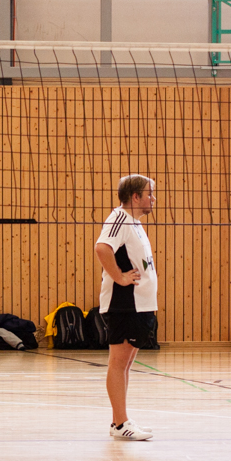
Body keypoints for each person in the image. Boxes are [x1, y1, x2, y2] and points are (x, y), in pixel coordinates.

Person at [95, 174, 158, 441]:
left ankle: (119, 420)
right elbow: (102, 248)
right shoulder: (119, 219)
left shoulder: (134, 222)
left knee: (126, 364)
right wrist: (119, 277)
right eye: (149, 193)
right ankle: (120, 424)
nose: (153, 198)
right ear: (135, 196)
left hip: (139, 304)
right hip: (124, 303)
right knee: (118, 363)